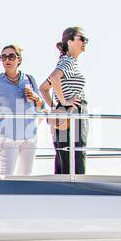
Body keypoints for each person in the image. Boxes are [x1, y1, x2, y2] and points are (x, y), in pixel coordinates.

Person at [0, 44, 44, 176]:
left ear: (19, 59)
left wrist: (35, 97)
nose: (7, 60)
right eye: (3, 57)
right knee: (7, 176)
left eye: (11, 56)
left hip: (30, 135)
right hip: (7, 136)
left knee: (26, 176)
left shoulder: (30, 79)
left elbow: (42, 107)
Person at [40, 26, 89, 175]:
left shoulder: (64, 61)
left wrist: (58, 106)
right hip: (73, 112)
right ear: (70, 41)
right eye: (82, 38)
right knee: (75, 154)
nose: (85, 42)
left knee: (64, 154)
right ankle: (77, 189)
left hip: (64, 112)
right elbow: (54, 78)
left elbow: (43, 88)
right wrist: (65, 102)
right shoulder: (69, 62)